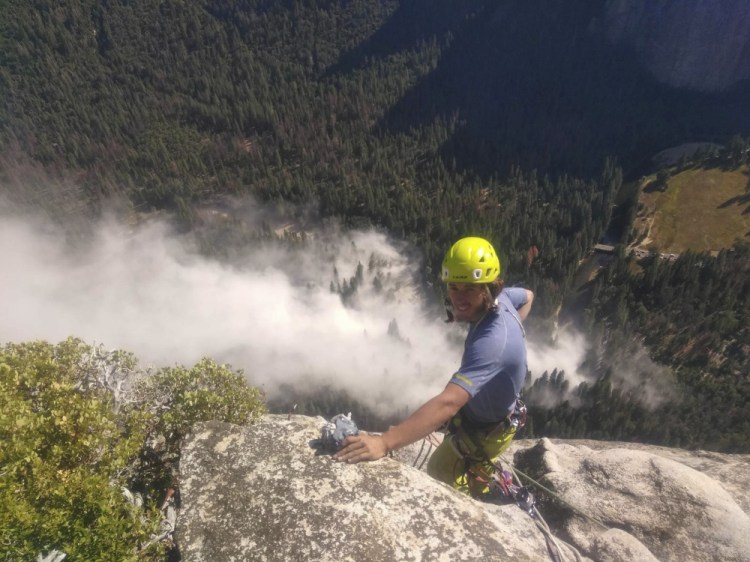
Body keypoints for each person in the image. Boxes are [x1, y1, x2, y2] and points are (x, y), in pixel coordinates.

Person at [334, 236, 533, 496]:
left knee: (440, 472)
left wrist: (384, 442)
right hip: (488, 419)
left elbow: (448, 403)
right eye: (454, 287)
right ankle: (480, 480)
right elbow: (528, 296)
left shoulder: (493, 343)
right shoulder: (504, 300)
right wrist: (514, 328)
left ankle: (482, 499)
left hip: (486, 430)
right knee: (468, 468)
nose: (459, 298)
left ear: (489, 288)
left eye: (469, 289)